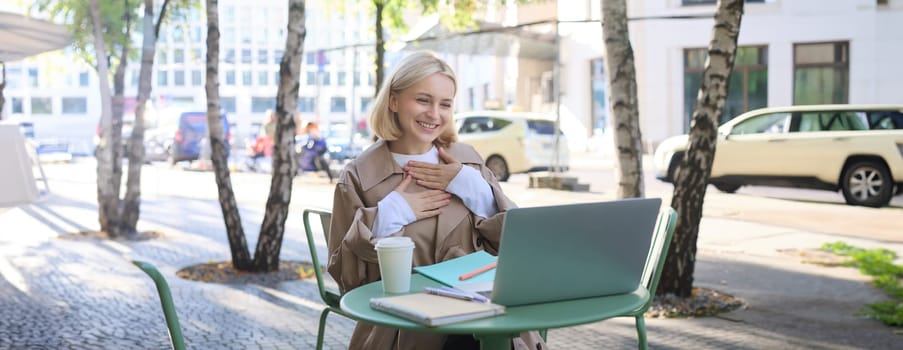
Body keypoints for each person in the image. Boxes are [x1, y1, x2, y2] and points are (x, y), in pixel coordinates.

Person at [327, 51, 543, 350]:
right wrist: (391, 213)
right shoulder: (359, 176)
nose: (434, 114)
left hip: (485, 316)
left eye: (445, 104)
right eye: (423, 100)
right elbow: (346, 282)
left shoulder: (469, 162)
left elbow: (520, 246)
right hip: (405, 327)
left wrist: (474, 189)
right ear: (393, 101)